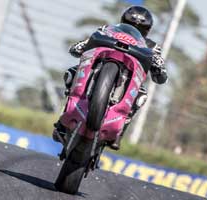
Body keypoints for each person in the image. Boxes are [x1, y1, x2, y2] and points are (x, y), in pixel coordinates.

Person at [53, 6, 168, 149]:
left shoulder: (152, 46)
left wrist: (159, 66)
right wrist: (83, 45)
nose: (133, 30)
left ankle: (119, 133)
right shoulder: (107, 30)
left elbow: (160, 76)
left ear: (147, 31)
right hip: (100, 64)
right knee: (71, 73)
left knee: (141, 97)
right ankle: (63, 120)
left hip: (129, 78)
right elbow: (80, 47)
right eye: (130, 25)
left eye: (139, 28)